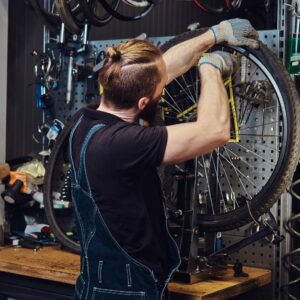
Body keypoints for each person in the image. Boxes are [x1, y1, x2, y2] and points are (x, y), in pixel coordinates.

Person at [69, 19, 259, 300]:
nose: (164, 84)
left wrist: (214, 34)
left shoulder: (86, 121)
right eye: (159, 89)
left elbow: (159, 70)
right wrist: (210, 68)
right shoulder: (123, 144)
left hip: (102, 282)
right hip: (125, 291)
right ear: (143, 103)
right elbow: (214, 131)